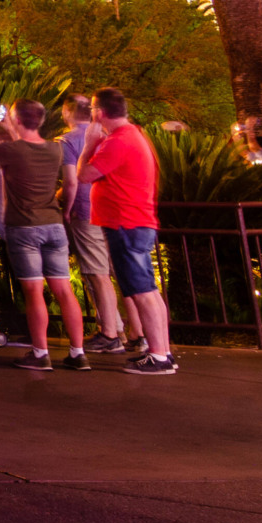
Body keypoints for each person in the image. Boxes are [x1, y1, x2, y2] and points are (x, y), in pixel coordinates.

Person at [0, 100, 88, 371]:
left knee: (33, 291)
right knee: (64, 290)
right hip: (54, 224)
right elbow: (67, 180)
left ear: (17, 120)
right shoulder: (55, 149)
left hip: (24, 227)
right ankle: (78, 353)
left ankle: (40, 353)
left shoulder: (8, 150)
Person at [80, 87, 171, 375]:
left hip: (126, 223)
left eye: (93, 109)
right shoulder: (131, 136)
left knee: (143, 291)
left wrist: (88, 144)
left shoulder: (118, 141)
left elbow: (84, 175)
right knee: (149, 291)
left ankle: (157, 357)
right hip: (133, 221)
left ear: (100, 112)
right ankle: (163, 352)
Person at [60, 94, 131, 351]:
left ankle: (109, 333)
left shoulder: (67, 141)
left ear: (67, 113)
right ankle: (132, 332)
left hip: (86, 211)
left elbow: (72, 181)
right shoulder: (108, 135)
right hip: (113, 212)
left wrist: (66, 209)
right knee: (118, 273)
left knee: (97, 273)